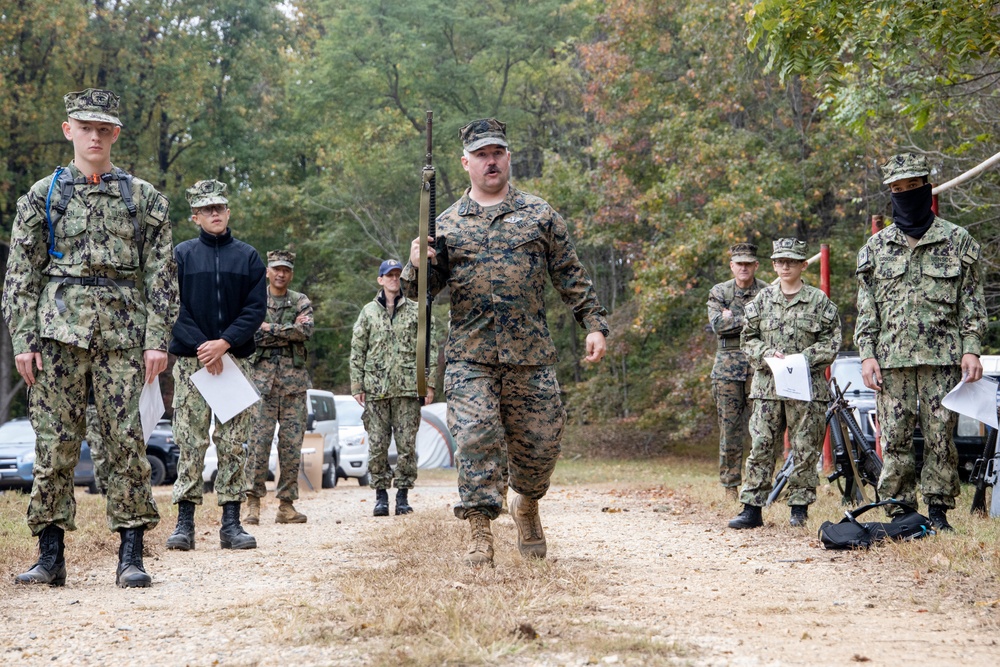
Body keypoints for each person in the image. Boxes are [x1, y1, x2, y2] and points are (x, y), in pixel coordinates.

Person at [402, 118, 609, 566]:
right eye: (480, 155)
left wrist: (593, 323)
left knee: (541, 446)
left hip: (531, 356)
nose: (489, 161)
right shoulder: (446, 224)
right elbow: (419, 291)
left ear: (508, 157)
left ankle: (527, 503)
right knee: (476, 436)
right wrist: (417, 264)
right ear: (466, 163)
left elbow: (570, 274)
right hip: (469, 357)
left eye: (496, 152)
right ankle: (480, 529)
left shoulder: (540, 215)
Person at [2, 88, 177, 587]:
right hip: (56, 337)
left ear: (115, 134)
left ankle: (131, 555)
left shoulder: (144, 200)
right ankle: (50, 555)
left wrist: (157, 339)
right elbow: (20, 275)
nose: (95, 136)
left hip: (123, 337)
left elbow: (162, 277)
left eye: (104, 129)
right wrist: (23, 339)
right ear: (69, 131)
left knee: (125, 442)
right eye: (86, 127)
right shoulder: (43, 196)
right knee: (54, 444)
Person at [855, 153, 987, 531]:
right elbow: (867, 312)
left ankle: (939, 511)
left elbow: (972, 304)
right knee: (894, 437)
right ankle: (900, 510)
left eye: (912, 187)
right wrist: (867, 356)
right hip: (891, 362)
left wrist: (972, 346)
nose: (905, 194)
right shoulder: (875, 249)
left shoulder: (957, 241)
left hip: (943, 360)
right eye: (897, 189)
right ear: (890, 193)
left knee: (940, 436)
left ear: (926, 188)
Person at [166, 179, 266, 551]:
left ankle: (231, 523)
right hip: (193, 365)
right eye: (206, 209)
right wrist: (202, 347)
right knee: (189, 442)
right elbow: (171, 306)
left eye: (219, 208)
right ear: (195, 216)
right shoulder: (181, 255)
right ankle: (184, 523)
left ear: (228, 212)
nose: (214, 214)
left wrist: (224, 343)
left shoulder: (249, 257)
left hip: (234, 363)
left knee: (234, 443)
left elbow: (256, 309)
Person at [728, 238, 841, 529]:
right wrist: (766, 354)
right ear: (773, 264)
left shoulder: (819, 301)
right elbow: (747, 339)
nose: (785, 266)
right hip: (768, 387)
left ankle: (799, 508)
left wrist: (804, 357)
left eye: (791, 261)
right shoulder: (762, 301)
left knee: (805, 448)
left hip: (807, 389)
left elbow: (832, 341)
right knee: (762, 446)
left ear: (804, 264)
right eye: (779, 261)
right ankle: (752, 508)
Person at [350, 259, 437, 517]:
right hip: (376, 389)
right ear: (380, 280)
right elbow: (358, 349)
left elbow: (428, 347)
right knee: (377, 446)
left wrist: (429, 384)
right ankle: (380, 496)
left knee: (406, 446)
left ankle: (402, 496)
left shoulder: (416, 310)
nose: (393, 279)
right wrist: (357, 384)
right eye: (389, 276)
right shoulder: (368, 312)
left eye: (397, 275)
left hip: (408, 388)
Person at [245, 250, 314, 525]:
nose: (281, 274)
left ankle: (286, 505)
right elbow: (250, 332)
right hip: (261, 384)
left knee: (291, 447)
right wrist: (287, 331)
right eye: (276, 269)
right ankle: (252, 504)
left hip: (293, 385)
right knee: (258, 445)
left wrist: (269, 329)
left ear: (291, 273)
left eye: (286, 269)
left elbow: (305, 331)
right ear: (268, 272)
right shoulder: (255, 298)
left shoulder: (300, 300)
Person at [707, 243, 768, 500]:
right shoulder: (719, 291)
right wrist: (752, 318)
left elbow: (773, 323)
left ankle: (761, 484)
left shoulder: (767, 291)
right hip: (727, 370)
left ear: (755, 265)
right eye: (738, 263)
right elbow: (718, 324)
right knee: (730, 430)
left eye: (748, 263)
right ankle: (730, 486)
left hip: (760, 367)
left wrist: (735, 317)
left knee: (763, 428)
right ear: (732, 266)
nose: (743, 267)